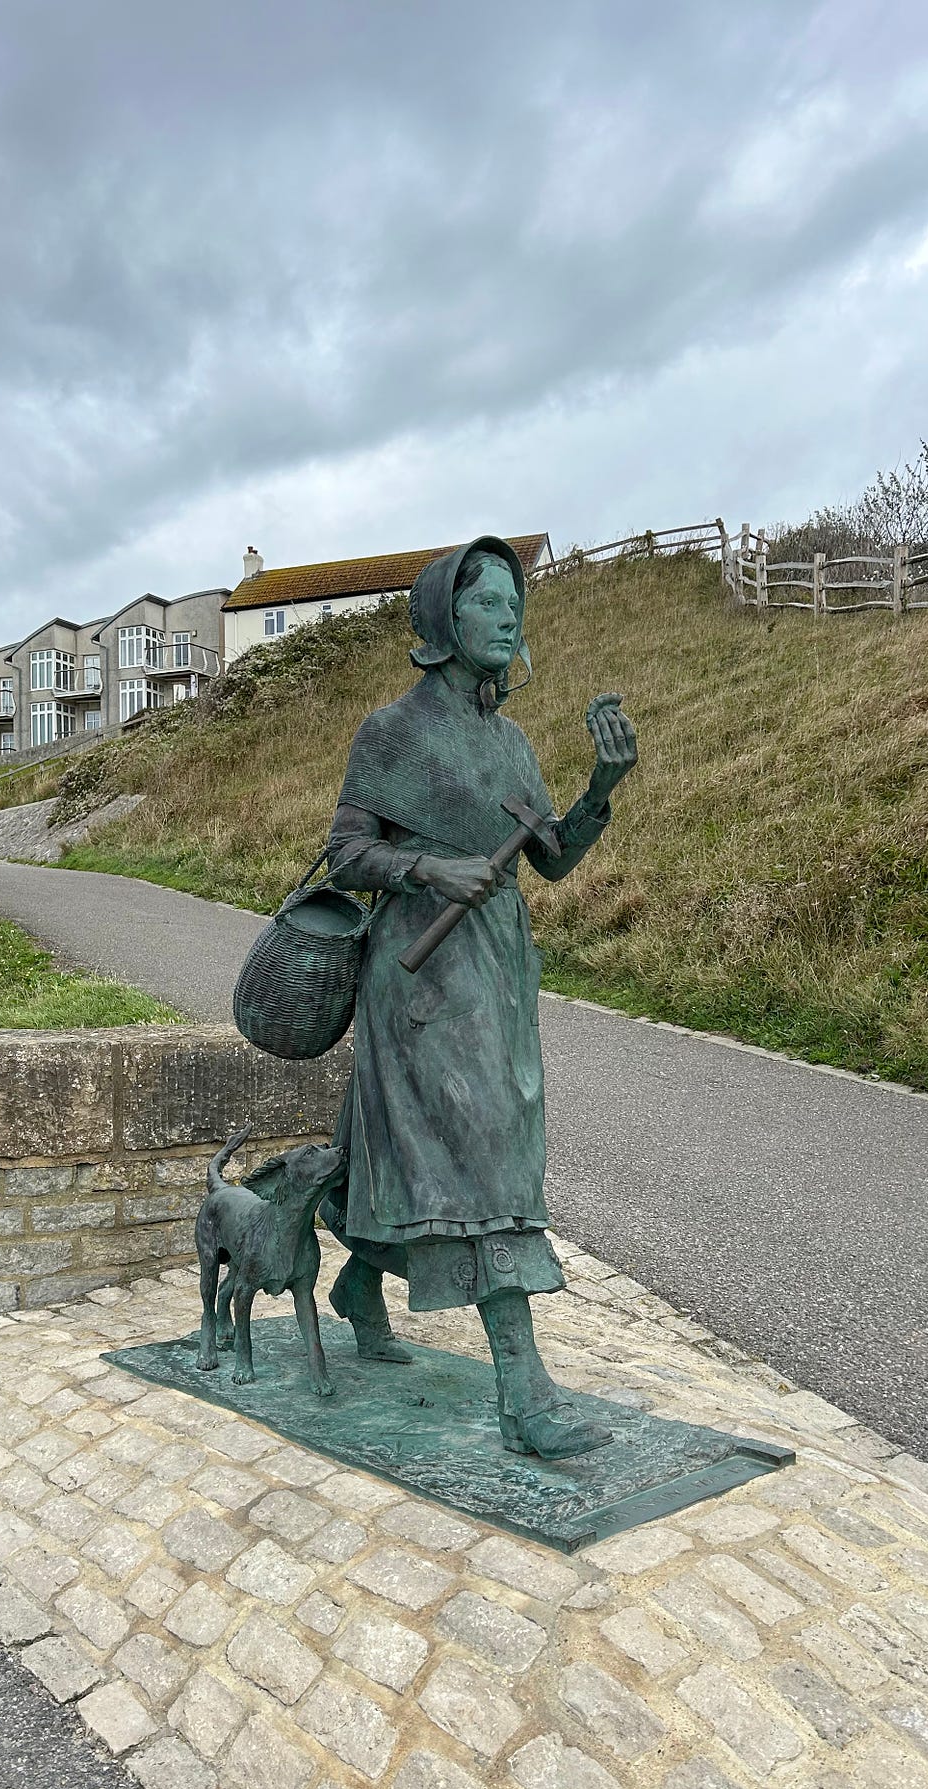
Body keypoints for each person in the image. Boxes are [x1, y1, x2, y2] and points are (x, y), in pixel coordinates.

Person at [319, 534, 638, 1458]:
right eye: (489, 602)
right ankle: (523, 1392)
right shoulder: (392, 732)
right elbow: (345, 853)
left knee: (459, 1150)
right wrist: (428, 865)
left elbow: (554, 860)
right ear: (443, 618)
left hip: (497, 973)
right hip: (419, 975)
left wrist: (599, 789)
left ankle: (358, 1278)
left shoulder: (511, 742)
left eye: (515, 604)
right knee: (488, 1154)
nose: (509, 617)